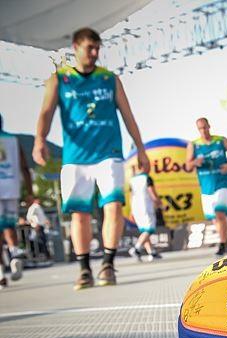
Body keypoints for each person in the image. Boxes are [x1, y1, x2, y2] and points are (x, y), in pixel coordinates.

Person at [33, 28, 150, 290]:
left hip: (109, 154)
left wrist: (141, 149)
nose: (95, 53)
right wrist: (40, 139)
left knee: (114, 206)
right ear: (76, 47)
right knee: (80, 214)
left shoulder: (109, 79)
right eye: (90, 48)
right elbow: (46, 112)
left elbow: (128, 115)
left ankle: (108, 263)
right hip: (76, 158)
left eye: (98, 48)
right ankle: (84, 269)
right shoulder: (59, 80)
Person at [186, 118, 227, 256]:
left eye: (205, 127)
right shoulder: (194, 145)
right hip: (206, 185)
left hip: (222, 182)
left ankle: (222, 245)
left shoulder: (221, 140)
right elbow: (188, 166)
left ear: (209, 126)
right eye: (200, 128)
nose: (203, 130)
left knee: (219, 213)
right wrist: (195, 162)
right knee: (214, 218)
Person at [1, 114, 32, 288]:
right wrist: (30, 192)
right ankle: (14, 253)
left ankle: (0, 273)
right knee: (9, 225)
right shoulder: (13, 140)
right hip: (11, 187)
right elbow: (24, 167)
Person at [128, 171, 163, 261]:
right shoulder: (146, 178)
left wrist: (132, 211)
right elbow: (153, 194)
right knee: (149, 230)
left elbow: (131, 196)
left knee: (144, 231)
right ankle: (136, 249)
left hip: (136, 208)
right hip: (146, 208)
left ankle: (151, 253)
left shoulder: (132, 180)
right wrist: (161, 205)